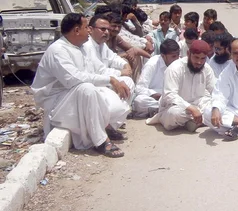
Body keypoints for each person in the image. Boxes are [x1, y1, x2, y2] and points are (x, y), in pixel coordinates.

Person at [31, 13, 131, 158]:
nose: (89, 31)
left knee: (122, 88)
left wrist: (117, 78)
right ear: (76, 30)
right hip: (56, 101)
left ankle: (106, 126)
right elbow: (73, 79)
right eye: (86, 27)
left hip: (75, 95)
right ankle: (101, 141)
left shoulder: (82, 48)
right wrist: (110, 80)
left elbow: (98, 69)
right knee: (87, 88)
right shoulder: (58, 50)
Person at [147, 40, 216, 132]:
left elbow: (214, 91)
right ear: (188, 54)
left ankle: (194, 122)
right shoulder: (175, 68)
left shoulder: (206, 69)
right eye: (196, 57)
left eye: (203, 58)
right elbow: (169, 95)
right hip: (176, 107)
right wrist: (191, 108)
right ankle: (199, 121)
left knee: (216, 109)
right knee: (174, 114)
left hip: (200, 105)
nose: (199, 62)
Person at [132, 39, 181, 118]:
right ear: (163, 55)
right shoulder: (152, 64)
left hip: (174, 97)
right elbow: (139, 88)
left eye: (178, 55)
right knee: (139, 101)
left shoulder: (180, 63)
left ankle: (159, 112)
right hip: (157, 99)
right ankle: (165, 111)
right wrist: (156, 95)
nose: (177, 58)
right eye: (173, 56)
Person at [83, 14, 133, 79]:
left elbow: (113, 58)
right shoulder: (87, 45)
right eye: (103, 29)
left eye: (108, 29)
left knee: (127, 79)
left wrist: (125, 65)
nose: (107, 32)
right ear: (90, 29)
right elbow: (99, 71)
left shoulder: (102, 44)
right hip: (96, 81)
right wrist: (121, 72)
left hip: (106, 77)